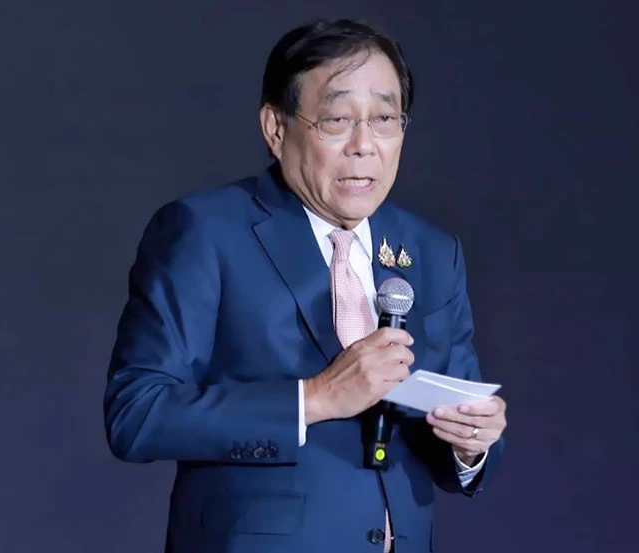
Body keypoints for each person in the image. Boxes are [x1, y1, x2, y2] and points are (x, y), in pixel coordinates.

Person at [102, 18, 507, 553]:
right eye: (337, 120)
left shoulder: (432, 250)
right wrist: (314, 398)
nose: (364, 146)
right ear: (276, 128)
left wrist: (472, 444)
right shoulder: (206, 231)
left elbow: (454, 426)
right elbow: (137, 414)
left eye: (384, 119)